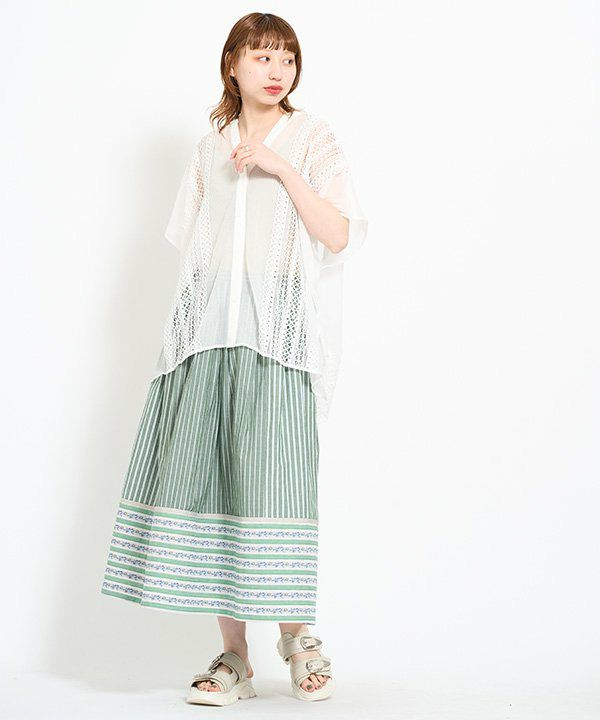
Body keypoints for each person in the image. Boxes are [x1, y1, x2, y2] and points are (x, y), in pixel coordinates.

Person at [100, 11, 368, 706]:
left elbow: (338, 234)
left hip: (278, 341)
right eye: (262, 57)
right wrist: (184, 338)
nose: (277, 71)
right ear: (233, 65)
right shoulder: (208, 148)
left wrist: (281, 168)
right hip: (207, 340)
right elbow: (195, 249)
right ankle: (235, 657)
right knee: (220, 490)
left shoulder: (313, 138)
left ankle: (298, 638)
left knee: (278, 487)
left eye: (287, 58)